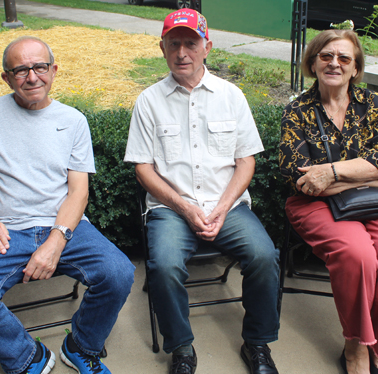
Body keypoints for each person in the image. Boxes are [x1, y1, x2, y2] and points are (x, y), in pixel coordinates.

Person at [0, 36, 135, 374]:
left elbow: (78, 192)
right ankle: (28, 357)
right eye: (20, 70)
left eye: (40, 67)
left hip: (64, 225)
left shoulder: (74, 120)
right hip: (5, 230)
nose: (32, 77)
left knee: (118, 273)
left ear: (54, 70)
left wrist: (55, 241)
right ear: (6, 77)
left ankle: (80, 346)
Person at [124, 10, 280, 374]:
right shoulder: (148, 101)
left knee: (264, 256)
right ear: (162, 48)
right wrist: (185, 208)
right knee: (162, 265)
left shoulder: (231, 95)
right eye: (173, 43)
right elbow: (143, 169)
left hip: (227, 207)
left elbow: (246, 162)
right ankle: (181, 349)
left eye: (191, 43)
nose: (182, 52)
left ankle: (257, 344)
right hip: (170, 209)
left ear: (206, 46)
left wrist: (222, 208)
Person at [279, 29, 378, 374]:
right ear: (313, 62)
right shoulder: (297, 111)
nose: (334, 63)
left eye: (344, 58)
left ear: (355, 68)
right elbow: (297, 177)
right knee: (358, 257)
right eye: (326, 56)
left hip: (375, 203)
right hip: (319, 204)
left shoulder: (375, 104)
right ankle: (355, 347)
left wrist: (331, 173)